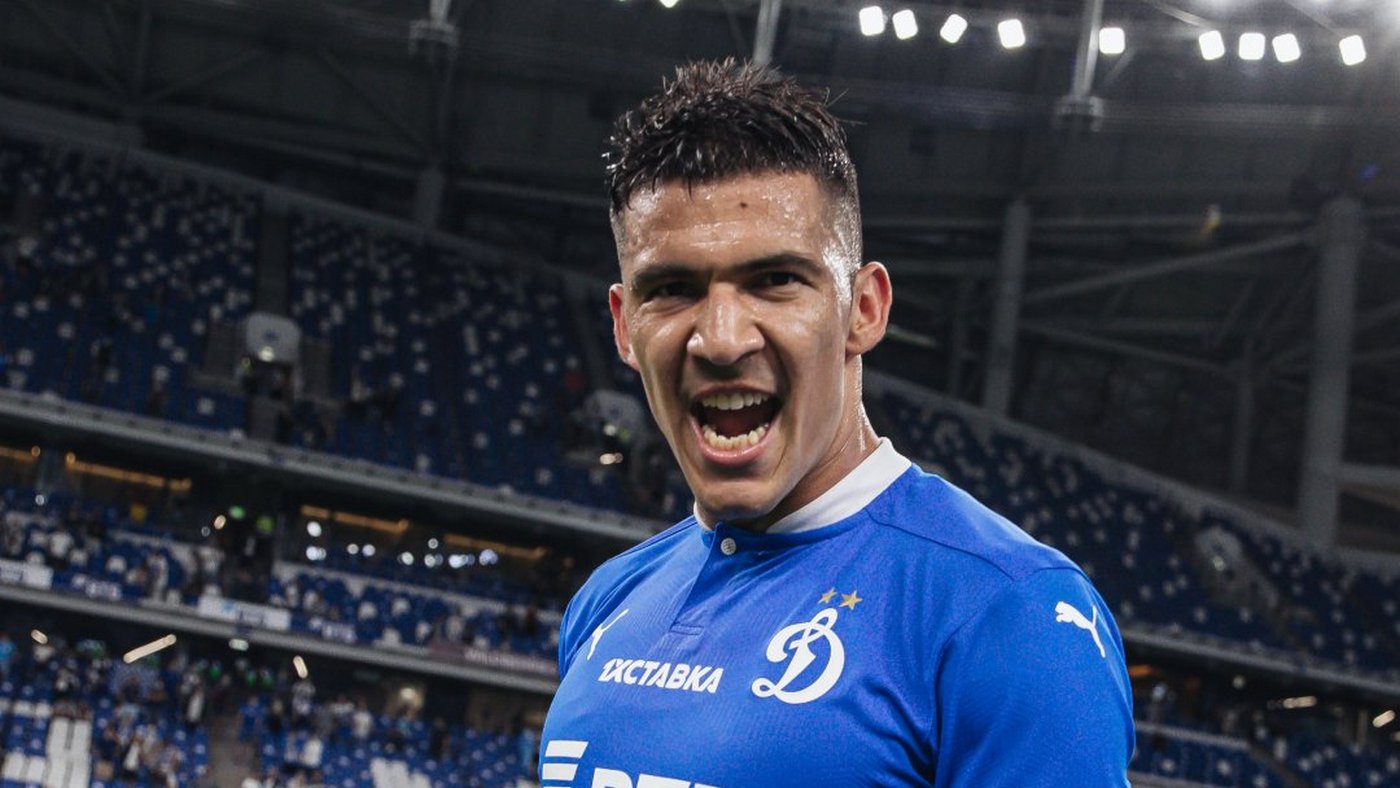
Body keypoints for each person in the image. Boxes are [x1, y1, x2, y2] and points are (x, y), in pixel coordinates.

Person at [539, 60, 1134, 786]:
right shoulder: (609, 597)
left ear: (864, 309)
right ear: (624, 326)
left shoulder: (1009, 613)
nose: (721, 340)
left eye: (775, 280)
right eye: (670, 289)